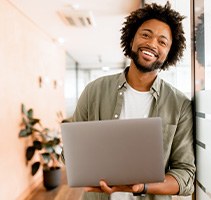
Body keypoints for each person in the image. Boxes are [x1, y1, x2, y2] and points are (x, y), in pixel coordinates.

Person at [72, 2, 195, 200]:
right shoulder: (94, 90)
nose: (152, 44)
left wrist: (142, 186)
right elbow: (71, 153)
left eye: (162, 42)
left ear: (169, 53)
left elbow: (185, 176)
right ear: (131, 39)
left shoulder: (180, 105)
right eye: (145, 35)